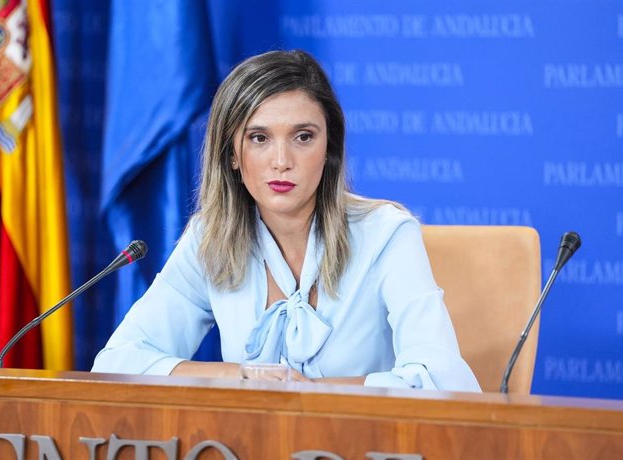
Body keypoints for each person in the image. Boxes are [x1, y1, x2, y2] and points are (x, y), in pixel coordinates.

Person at [92, 49, 480, 392]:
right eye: (259, 138)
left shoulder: (386, 234)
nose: (282, 161)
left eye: (303, 137)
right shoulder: (210, 238)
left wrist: (310, 392)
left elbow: (443, 380)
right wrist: (241, 376)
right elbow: (117, 362)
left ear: (329, 149)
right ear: (231, 155)